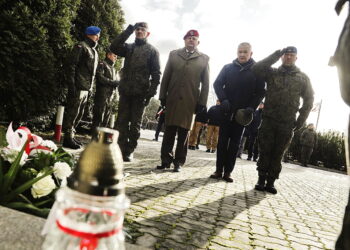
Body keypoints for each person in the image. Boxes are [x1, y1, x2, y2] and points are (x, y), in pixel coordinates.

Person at [252, 46, 314, 194]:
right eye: (286, 55)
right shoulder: (272, 72)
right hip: (269, 119)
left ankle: (271, 182)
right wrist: (275, 54)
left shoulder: (302, 77)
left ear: (296, 58)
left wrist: (301, 120)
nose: (288, 57)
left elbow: (309, 99)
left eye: (291, 55)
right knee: (265, 151)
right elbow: (256, 68)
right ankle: (261, 180)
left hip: (287, 122)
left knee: (278, 153)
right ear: (282, 56)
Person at [210, 42, 265, 182]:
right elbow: (217, 84)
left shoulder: (257, 71)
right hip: (226, 111)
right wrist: (223, 99)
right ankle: (218, 170)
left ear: (251, 53)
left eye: (245, 52)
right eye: (240, 51)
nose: (242, 54)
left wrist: (251, 107)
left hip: (242, 115)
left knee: (235, 144)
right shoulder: (227, 68)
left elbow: (260, 93)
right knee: (222, 142)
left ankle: (228, 172)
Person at [156, 29, 209, 172]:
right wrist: (162, 96)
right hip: (172, 98)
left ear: (198, 42)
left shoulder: (204, 59)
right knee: (169, 131)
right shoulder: (174, 55)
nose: (191, 40)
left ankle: (178, 162)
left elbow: (206, 84)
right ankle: (165, 160)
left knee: (184, 134)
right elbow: (166, 76)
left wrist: (202, 103)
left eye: (194, 38)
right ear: (184, 40)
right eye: (188, 38)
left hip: (190, 101)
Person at [109, 22, 161, 162]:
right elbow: (113, 47)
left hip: (140, 94)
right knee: (121, 122)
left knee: (135, 125)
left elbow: (156, 75)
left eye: (142, 29)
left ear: (147, 33)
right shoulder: (128, 48)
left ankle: (129, 150)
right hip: (126, 91)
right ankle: (119, 149)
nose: (139, 31)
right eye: (137, 29)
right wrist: (128, 30)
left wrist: (150, 94)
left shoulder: (152, 51)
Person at [63, 26, 101, 149]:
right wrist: (71, 84)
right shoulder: (81, 46)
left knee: (79, 114)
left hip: (86, 87)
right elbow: (71, 66)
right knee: (72, 113)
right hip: (78, 86)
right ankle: (67, 138)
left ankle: (72, 136)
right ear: (91, 34)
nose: (98, 37)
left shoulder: (94, 51)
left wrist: (90, 88)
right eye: (97, 34)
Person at [91, 49, 119, 139]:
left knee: (105, 119)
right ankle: (94, 139)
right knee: (98, 118)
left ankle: (101, 139)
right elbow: (100, 77)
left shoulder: (114, 69)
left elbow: (115, 83)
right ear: (108, 55)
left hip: (110, 97)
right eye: (114, 55)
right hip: (101, 95)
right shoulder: (102, 64)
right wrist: (113, 82)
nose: (116, 58)